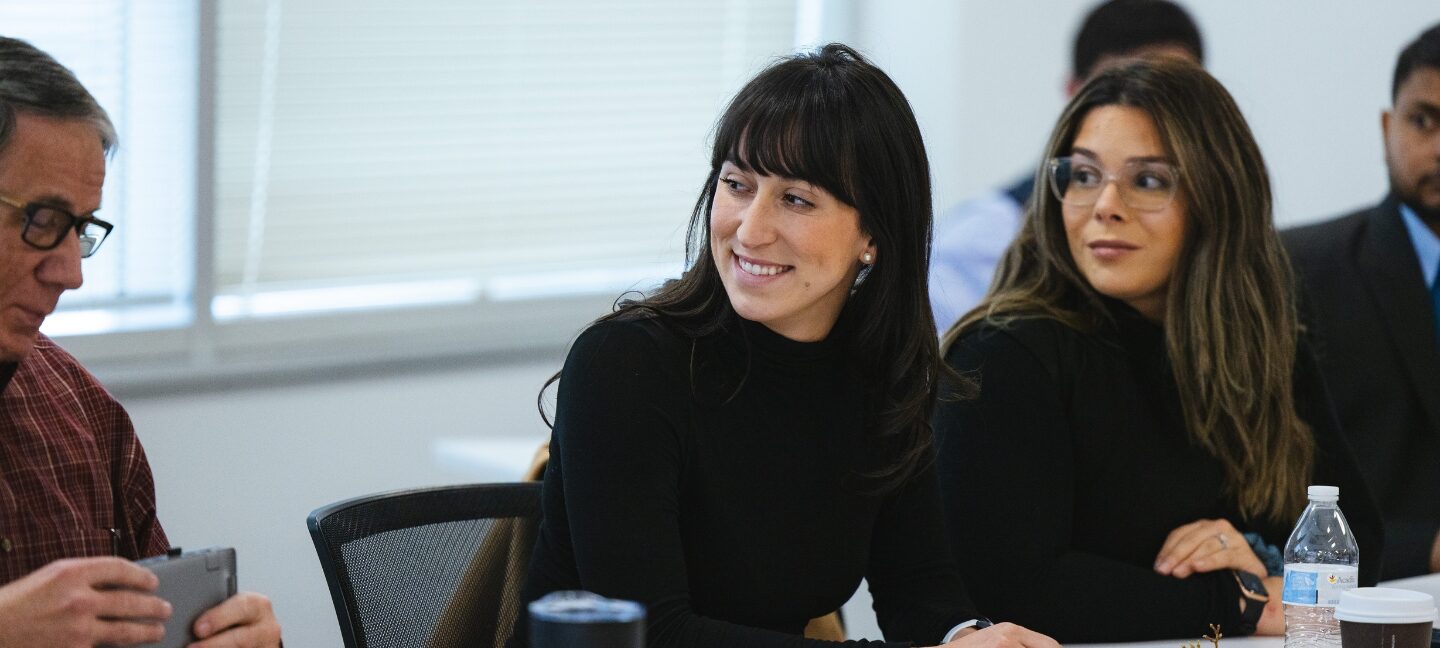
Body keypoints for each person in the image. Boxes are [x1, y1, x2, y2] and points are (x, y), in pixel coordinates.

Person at [512, 44, 1058, 648]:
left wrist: (965, 636)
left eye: (795, 199)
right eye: (737, 185)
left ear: (873, 234)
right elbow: (656, 632)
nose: (750, 229)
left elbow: (919, 585)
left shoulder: (879, 377)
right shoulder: (625, 364)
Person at [933, 58, 1384, 642]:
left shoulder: (1262, 343)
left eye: (1147, 181)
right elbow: (1017, 591)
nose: (1104, 206)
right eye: (1085, 175)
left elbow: (1357, 547)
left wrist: (1248, 561)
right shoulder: (1001, 355)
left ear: (1217, 198)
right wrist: (1241, 597)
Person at [0, 36, 282, 647]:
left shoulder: (79, 409)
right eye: (42, 223)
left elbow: (151, 625)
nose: (71, 272)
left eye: (80, 229)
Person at [929, 0, 1204, 332]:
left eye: (1173, 97)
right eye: (1115, 93)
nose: (1143, 116)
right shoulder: (976, 246)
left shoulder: (1229, 246)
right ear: (1076, 94)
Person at [1282, 23, 1440, 581]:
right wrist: (1425, 547)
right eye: (1423, 120)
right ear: (1386, 127)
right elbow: (1269, 489)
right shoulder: (1299, 268)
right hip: (1359, 595)